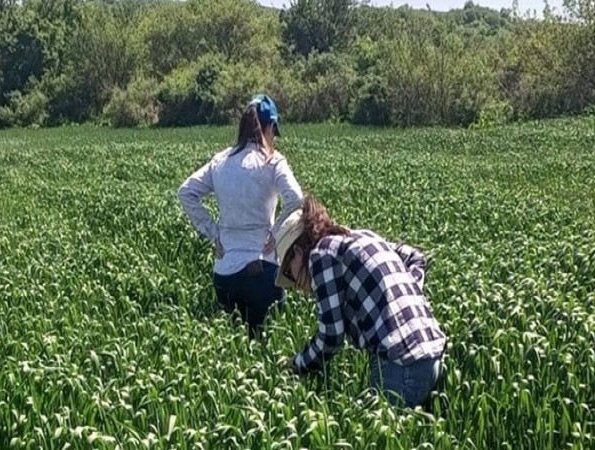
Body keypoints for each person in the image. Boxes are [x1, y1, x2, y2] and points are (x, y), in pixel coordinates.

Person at [274, 195, 447, 407]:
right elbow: (415, 256)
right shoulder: (361, 236)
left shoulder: (319, 255)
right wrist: (405, 292)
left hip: (400, 365)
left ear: (298, 253)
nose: (295, 286)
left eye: (289, 274)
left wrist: (296, 365)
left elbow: (331, 337)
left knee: (374, 437)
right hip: (434, 355)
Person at [178, 94, 303, 338]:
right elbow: (296, 199)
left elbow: (186, 192)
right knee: (269, 348)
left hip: (225, 275)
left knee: (233, 348)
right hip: (262, 273)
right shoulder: (272, 161)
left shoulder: (221, 161)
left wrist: (215, 233)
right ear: (268, 127)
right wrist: (275, 233)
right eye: (273, 132)